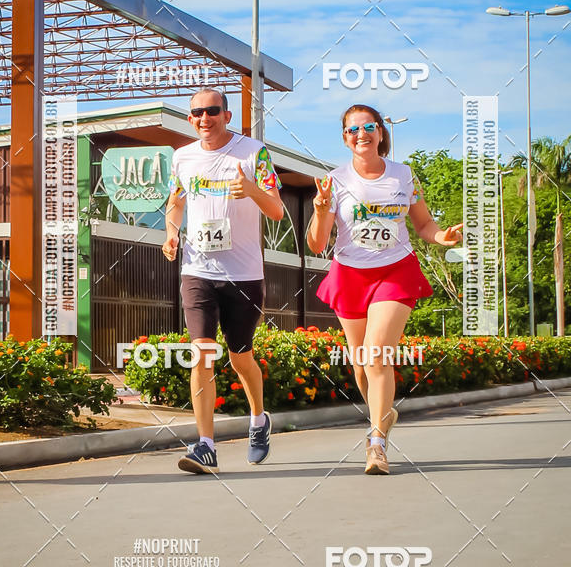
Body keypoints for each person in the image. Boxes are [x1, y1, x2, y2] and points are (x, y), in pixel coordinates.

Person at [307, 104, 462, 475]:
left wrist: (442, 236)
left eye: (368, 127)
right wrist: (321, 209)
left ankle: (376, 443)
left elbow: (423, 224)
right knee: (361, 366)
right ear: (344, 138)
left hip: (394, 271)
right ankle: (383, 414)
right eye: (352, 129)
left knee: (377, 356)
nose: (361, 134)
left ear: (380, 132)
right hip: (349, 274)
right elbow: (317, 244)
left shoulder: (404, 176)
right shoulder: (334, 181)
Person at [162, 88, 284, 474]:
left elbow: (277, 211)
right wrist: (171, 233)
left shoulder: (253, 153)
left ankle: (259, 419)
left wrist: (252, 189)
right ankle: (205, 445)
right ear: (190, 118)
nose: (204, 118)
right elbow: (175, 204)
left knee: (239, 357)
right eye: (197, 112)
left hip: (244, 274)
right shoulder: (182, 157)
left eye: (212, 111)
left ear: (226, 116)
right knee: (202, 353)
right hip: (197, 270)